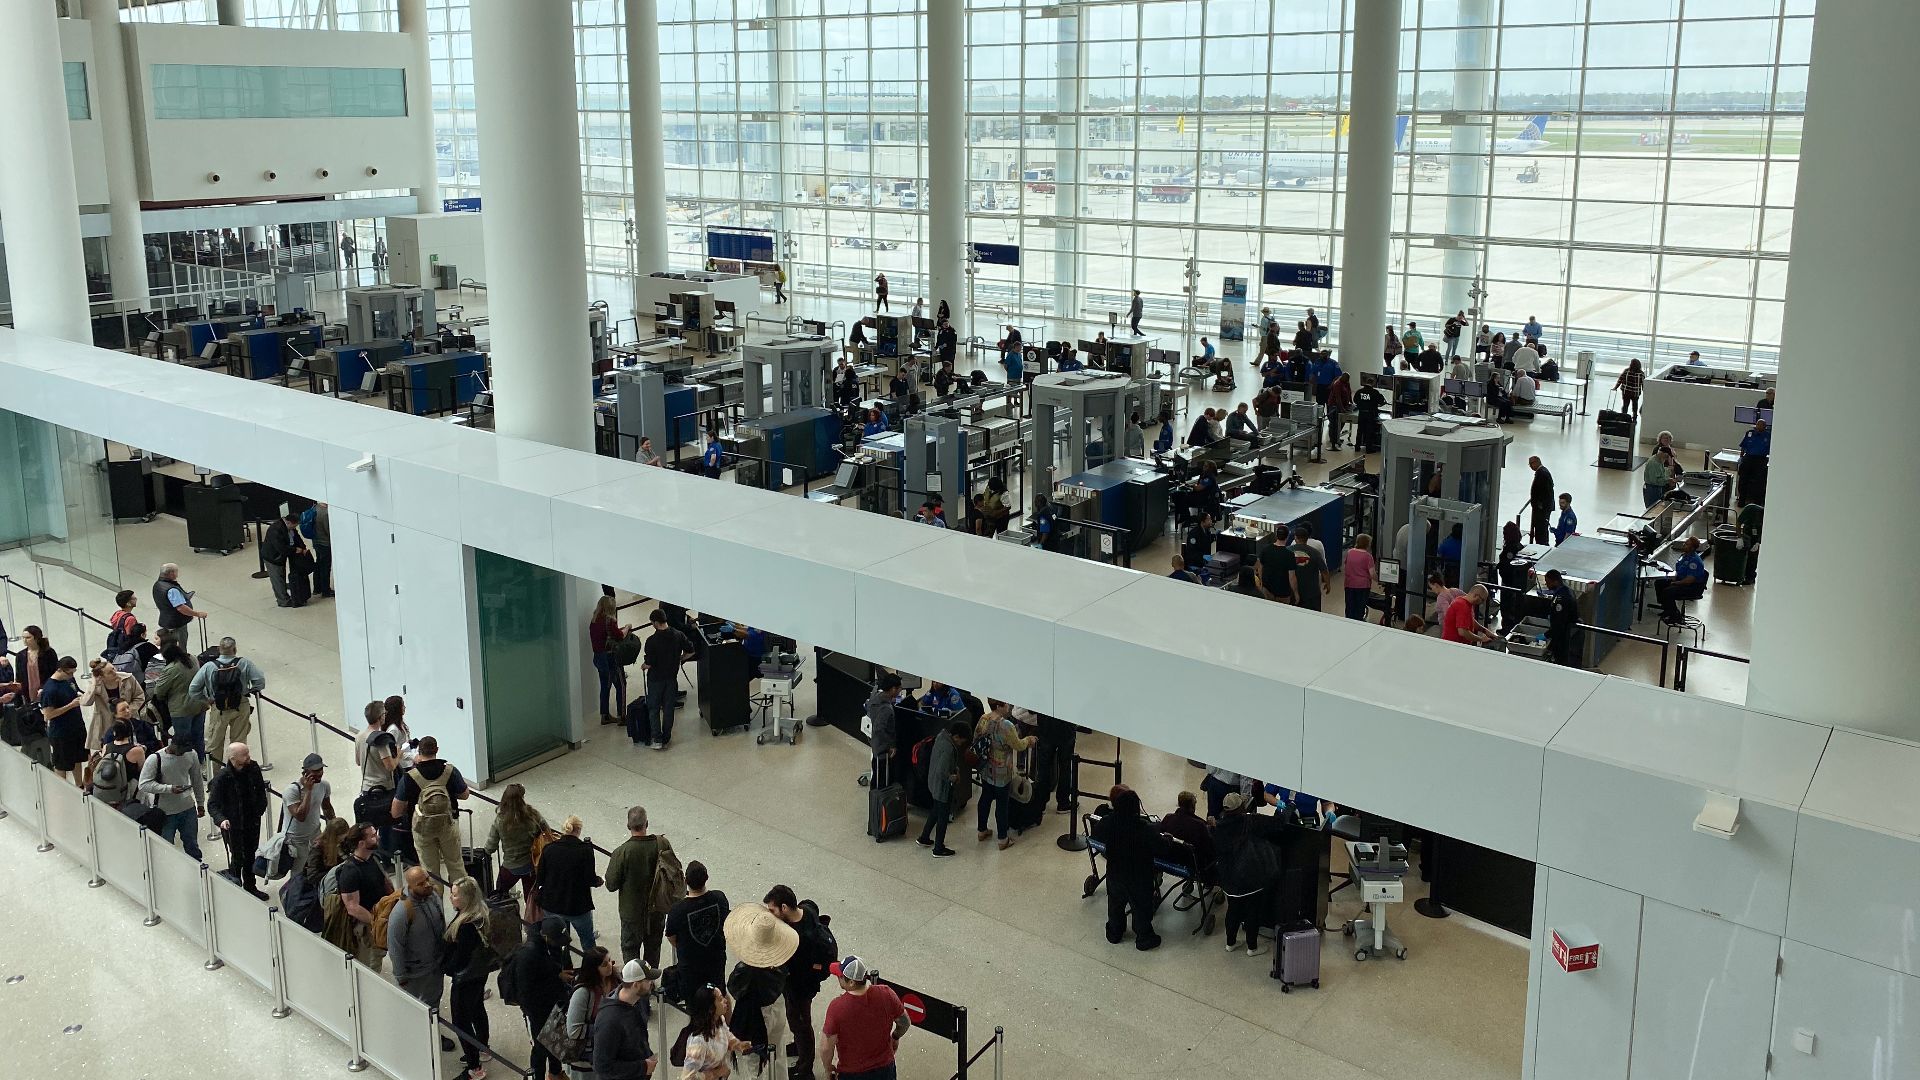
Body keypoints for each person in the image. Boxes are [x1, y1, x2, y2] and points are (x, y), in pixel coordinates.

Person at [724, 904, 799, 1080]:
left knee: (755, 1063)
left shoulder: (746, 971)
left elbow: (733, 987)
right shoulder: (779, 963)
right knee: (778, 1052)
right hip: (777, 1005)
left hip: (755, 1017)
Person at [766, 885, 834, 1080]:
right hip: (801, 983)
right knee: (797, 1019)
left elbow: (789, 965)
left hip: (800, 988)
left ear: (784, 907)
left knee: (801, 1023)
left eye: (772, 910)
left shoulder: (799, 939)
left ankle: (805, 1069)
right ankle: (799, 1046)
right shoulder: (807, 909)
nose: (770, 914)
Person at [1093, 785, 1166, 950]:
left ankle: (1114, 933)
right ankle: (1144, 938)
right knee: (1140, 907)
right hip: (1139, 877)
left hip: (1115, 873)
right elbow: (1161, 848)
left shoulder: (1108, 822)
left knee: (1115, 905)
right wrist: (1166, 839)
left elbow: (1097, 835)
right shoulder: (1145, 828)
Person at [605, 804, 678, 968]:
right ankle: (650, 979)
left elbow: (611, 884)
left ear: (628, 826)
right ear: (647, 824)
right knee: (653, 949)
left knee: (630, 952)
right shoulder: (662, 843)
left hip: (632, 914)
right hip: (657, 909)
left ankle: (635, 980)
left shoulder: (622, 852)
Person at [391, 735, 469, 886]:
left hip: (422, 829)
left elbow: (395, 811)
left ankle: (435, 899)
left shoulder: (409, 777)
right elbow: (465, 794)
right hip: (448, 824)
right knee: (456, 866)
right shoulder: (450, 771)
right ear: (437, 750)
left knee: (430, 872)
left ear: (419, 752)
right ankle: (462, 898)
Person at [1213, 792, 1284, 955]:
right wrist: (1288, 808)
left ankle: (1230, 943)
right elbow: (1278, 823)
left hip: (1228, 878)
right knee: (1253, 911)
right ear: (1240, 808)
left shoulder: (1219, 825)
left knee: (1232, 910)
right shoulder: (1250, 821)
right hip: (1249, 877)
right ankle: (1252, 947)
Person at [818, 956, 909, 1080]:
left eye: (840, 976)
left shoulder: (837, 1008)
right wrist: (895, 1037)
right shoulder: (886, 993)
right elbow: (905, 1022)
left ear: (851, 982)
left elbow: (826, 1047)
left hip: (852, 1073)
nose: (838, 978)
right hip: (885, 1070)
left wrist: (828, 1067)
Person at [505, 917, 574, 1080]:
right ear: (546, 936)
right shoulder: (527, 955)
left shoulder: (550, 944)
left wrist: (558, 975)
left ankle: (555, 1072)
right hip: (535, 1011)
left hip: (554, 1002)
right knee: (540, 1049)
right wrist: (556, 978)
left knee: (555, 1039)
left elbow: (548, 967)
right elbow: (526, 991)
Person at [189, 636, 265, 774]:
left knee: (215, 743)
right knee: (239, 741)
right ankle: (238, 771)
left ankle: (214, 774)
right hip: (240, 705)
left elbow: (193, 689)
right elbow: (260, 681)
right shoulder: (244, 663)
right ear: (235, 649)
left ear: (219, 649)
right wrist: (249, 691)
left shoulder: (209, 666)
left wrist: (206, 700)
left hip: (218, 708)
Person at [209, 741, 270, 898]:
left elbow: (260, 791)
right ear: (233, 758)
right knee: (237, 857)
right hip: (233, 826)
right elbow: (213, 804)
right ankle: (235, 888)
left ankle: (250, 886)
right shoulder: (222, 778)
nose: (248, 757)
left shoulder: (253, 768)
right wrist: (221, 820)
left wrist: (260, 809)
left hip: (252, 822)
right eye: (244, 755)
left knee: (250, 855)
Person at [388, 865, 449, 1018]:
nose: (427, 884)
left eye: (427, 879)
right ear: (410, 886)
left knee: (434, 1003)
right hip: (414, 972)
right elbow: (395, 946)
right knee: (410, 1009)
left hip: (436, 965)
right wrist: (400, 975)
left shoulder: (433, 895)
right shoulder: (402, 911)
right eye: (420, 884)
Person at [974, 699, 1035, 850]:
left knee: (985, 798)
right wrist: (1029, 740)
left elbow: (976, 738)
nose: (1009, 705)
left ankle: (982, 830)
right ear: (999, 706)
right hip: (1002, 772)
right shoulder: (1006, 725)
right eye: (1006, 703)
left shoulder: (983, 719)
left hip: (986, 768)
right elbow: (1018, 745)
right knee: (1002, 805)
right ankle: (1003, 839)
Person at [332, 822, 394, 968]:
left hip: (380, 920)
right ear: (361, 843)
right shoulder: (350, 871)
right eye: (372, 836)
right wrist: (376, 923)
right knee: (369, 965)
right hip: (366, 927)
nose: (377, 837)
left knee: (377, 957)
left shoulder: (373, 858)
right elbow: (353, 907)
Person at [664, 860, 731, 996]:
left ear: (685, 880)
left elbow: (671, 937)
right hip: (716, 961)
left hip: (690, 967)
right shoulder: (719, 898)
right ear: (707, 878)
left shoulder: (678, 910)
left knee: (695, 1003)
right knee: (719, 996)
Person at [540, 814, 604, 951]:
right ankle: (590, 963)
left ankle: (563, 961)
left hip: (553, 904)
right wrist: (599, 881)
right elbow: (590, 879)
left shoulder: (549, 849)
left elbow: (540, 878)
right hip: (578, 906)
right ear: (579, 830)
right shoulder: (585, 850)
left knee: (557, 942)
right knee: (587, 941)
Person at [138, 733, 206, 859]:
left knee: (192, 845)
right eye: (182, 750)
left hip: (187, 808)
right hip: (165, 811)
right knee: (167, 848)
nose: (183, 753)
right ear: (173, 745)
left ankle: (197, 868)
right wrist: (169, 789)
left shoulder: (191, 754)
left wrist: (200, 803)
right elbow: (143, 784)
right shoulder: (155, 759)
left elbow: (197, 780)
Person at [354, 697, 408, 852]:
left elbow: (358, 761)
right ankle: (387, 855)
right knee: (387, 825)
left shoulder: (359, 736)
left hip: (367, 787)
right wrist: (398, 754)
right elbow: (390, 766)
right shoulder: (381, 739)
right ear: (380, 717)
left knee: (371, 825)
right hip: (384, 787)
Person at [591, 960, 658, 1080]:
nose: (651, 983)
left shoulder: (638, 1000)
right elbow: (602, 1066)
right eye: (648, 980)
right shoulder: (609, 1020)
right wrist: (642, 1067)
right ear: (636, 985)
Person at [641, 609, 695, 751]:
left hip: (655, 679)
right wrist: (680, 658)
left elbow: (649, 663)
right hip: (671, 678)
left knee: (653, 709)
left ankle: (657, 739)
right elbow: (691, 650)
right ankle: (666, 738)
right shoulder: (678, 635)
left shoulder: (651, 641)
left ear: (656, 623)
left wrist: (644, 666)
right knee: (668, 709)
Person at [915, 719, 970, 857]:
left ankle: (924, 837)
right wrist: (954, 777)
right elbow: (942, 771)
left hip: (933, 783)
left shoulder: (941, 736)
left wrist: (955, 768)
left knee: (935, 810)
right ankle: (938, 848)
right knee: (943, 817)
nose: (961, 744)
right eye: (961, 741)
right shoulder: (948, 748)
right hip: (942, 787)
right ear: (956, 736)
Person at [486, 783, 551, 899]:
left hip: (510, 866)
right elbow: (547, 831)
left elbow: (490, 847)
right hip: (531, 864)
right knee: (530, 897)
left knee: (500, 891)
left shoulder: (500, 820)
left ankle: (507, 904)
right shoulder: (533, 815)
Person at [563, 946, 617, 1078]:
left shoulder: (615, 981)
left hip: (609, 1050)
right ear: (594, 968)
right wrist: (605, 1027)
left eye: (610, 961)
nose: (610, 966)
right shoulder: (583, 992)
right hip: (585, 1059)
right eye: (604, 964)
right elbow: (574, 1030)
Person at [283, 751, 336, 873]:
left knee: (317, 869)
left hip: (316, 835)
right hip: (296, 840)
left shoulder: (324, 785)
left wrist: (332, 827)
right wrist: (308, 791)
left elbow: (327, 808)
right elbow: (300, 816)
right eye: (315, 771)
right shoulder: (292, 791)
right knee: (299, 874)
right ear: (305, 772)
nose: (320, 773)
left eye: (321, 770)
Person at [84, 655, 146, 757]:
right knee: (107, 750)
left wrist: (127, 710)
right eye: (110, 672)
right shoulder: (95, 685)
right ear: (102, 676)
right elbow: (86, 702)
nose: (114, 672)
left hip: (128, 719)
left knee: (130, 745)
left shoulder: (128, 678)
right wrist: (94, 684)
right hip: (105, 722)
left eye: (113, 668)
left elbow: (139, 696)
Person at [41, 656, 87, 788]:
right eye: (69, 673)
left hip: (76, 727)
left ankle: (79, 785)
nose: (71, 676)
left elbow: (73, 694)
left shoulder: (69, 680)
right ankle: (62, 789)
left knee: (78, 759)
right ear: (60, 670)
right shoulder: (50, 689)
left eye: (73, 672)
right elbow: (48, 714)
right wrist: (70, 706)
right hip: (61, 733)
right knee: (62, 764)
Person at [1157, 790, 1215, 888]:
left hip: (1169, 859)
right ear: (1192, 806)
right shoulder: (1200, 825)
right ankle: (1208, 882)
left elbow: (1160, 836)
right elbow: (1209, 848)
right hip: (1191, 864)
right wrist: (1213, 829)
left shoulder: (1168, 818)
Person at [87, 720, 147, 815]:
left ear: (114, 732)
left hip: (107, 787)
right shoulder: (137, 750)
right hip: (127, 791)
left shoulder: (106, 746)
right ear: (130, 732)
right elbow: (142, 770)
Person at [589, 595, 630, 726]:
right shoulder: (609, 621)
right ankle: (622, 716)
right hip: (610, 658)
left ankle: (605, 715)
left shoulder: (594, 620)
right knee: (621, 685)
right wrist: (627, 627)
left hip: (598, 657)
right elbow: (620, 636)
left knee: (605, 686)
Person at [262, 511, 311, 608]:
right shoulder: (275, 529)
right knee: (277, 578)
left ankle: (284, 595)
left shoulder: (289, 528)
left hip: (280, 556)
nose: (294, 528)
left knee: (281, 576)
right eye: (294, 526)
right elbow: (280, 547)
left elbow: (296, 537)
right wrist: (295, 550)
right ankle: (283, 601)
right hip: (273, 557)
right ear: (289, 522)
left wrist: (303, 547)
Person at [1656, 537, 1709, 626]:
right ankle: (1667, 609)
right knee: (1659, 583)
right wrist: (1673, 578)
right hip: (1681, 580)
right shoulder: (1684, 556)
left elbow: (1689, 580)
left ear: (1692, 548)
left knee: (1668, 591)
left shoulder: (1694, 561)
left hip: (1692, 586)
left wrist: (1676, 583)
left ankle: (1675, 616)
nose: (1684, 545)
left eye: (1687, 544)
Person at [864, 672, 903, 789]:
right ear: (893, 689)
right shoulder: (886, 708)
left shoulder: (876, 698)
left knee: (876, 776)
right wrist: (889, 747)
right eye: (899, 688)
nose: (900, 691)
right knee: (882, 781)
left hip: (876, 746)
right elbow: (879, 729)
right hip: (883, 751)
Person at [1539, 569, 1580, 667]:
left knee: (1562, 659)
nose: (1547, 585)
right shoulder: (1564, 589)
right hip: (1564, 630)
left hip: (1566, 633)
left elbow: (1560, 624)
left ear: (1555, 581)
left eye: (1548, 582)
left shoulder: (1562, 598)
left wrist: (1546, 635)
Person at [1288, 525, 1330, 613]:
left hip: (1292, 591)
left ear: (1295, 538)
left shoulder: (1288, 551)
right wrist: (1327, 584)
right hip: (1312, 592)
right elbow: (1324, 571)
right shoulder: (1315, 553)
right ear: (1307, 538)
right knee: (1313, 616)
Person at [1254, 529, 1295, 605]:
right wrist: (1296, 593)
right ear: (1287, 537)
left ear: (1276, 535)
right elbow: (1291, 576)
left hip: (1267, 589)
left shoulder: (1265, 549)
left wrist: (1262, 583)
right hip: (1283, 592)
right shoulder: (1290, 554)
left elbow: (1259, 567)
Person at [1737, 417, 1771, 508]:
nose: (1759, 426)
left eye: (1762, 425)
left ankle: (1757, 503)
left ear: (1765, 427)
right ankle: (1741, 500)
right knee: (1743, 479)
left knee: (1759, 482)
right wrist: (1741, 457)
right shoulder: (1750, 433)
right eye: (1758, 424)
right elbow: (1743, 446)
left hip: (1761, 460)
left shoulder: (1768, 436)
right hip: (1748, 458)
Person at [1343, 533, 1378, 621]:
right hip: (1362, 586)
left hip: (1349, 584)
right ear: (1367, 544)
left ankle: (1348, 622)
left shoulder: (1350, 552)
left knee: (1349, 607)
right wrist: (1379, 580)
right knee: (1359, 608)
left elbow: (1346, 566)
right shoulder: (1368, 556)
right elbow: (1372, 574)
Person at [1526, 456, 1555, 545]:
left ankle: (1542, 546)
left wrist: (1540, 505)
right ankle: (1541, 544)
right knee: (1540, 530)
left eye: (1531, 464)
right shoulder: (1543, 472)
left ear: (1536, 463)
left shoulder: (1542, 473)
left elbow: (1545, 491)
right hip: (1542, 508)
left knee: (1541, 530)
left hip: (1542, 509)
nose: (1530, 466)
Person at [1181, 511, 1217, 578]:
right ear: (1202, 522)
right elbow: (1191, 552)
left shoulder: (1207, 531)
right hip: (1194, 564)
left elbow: (1206, 540)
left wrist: (1215, 536)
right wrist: (1203, 556)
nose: (1211, 521)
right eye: (1208, 520)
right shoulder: (1194, 534)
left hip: (1203, 563)